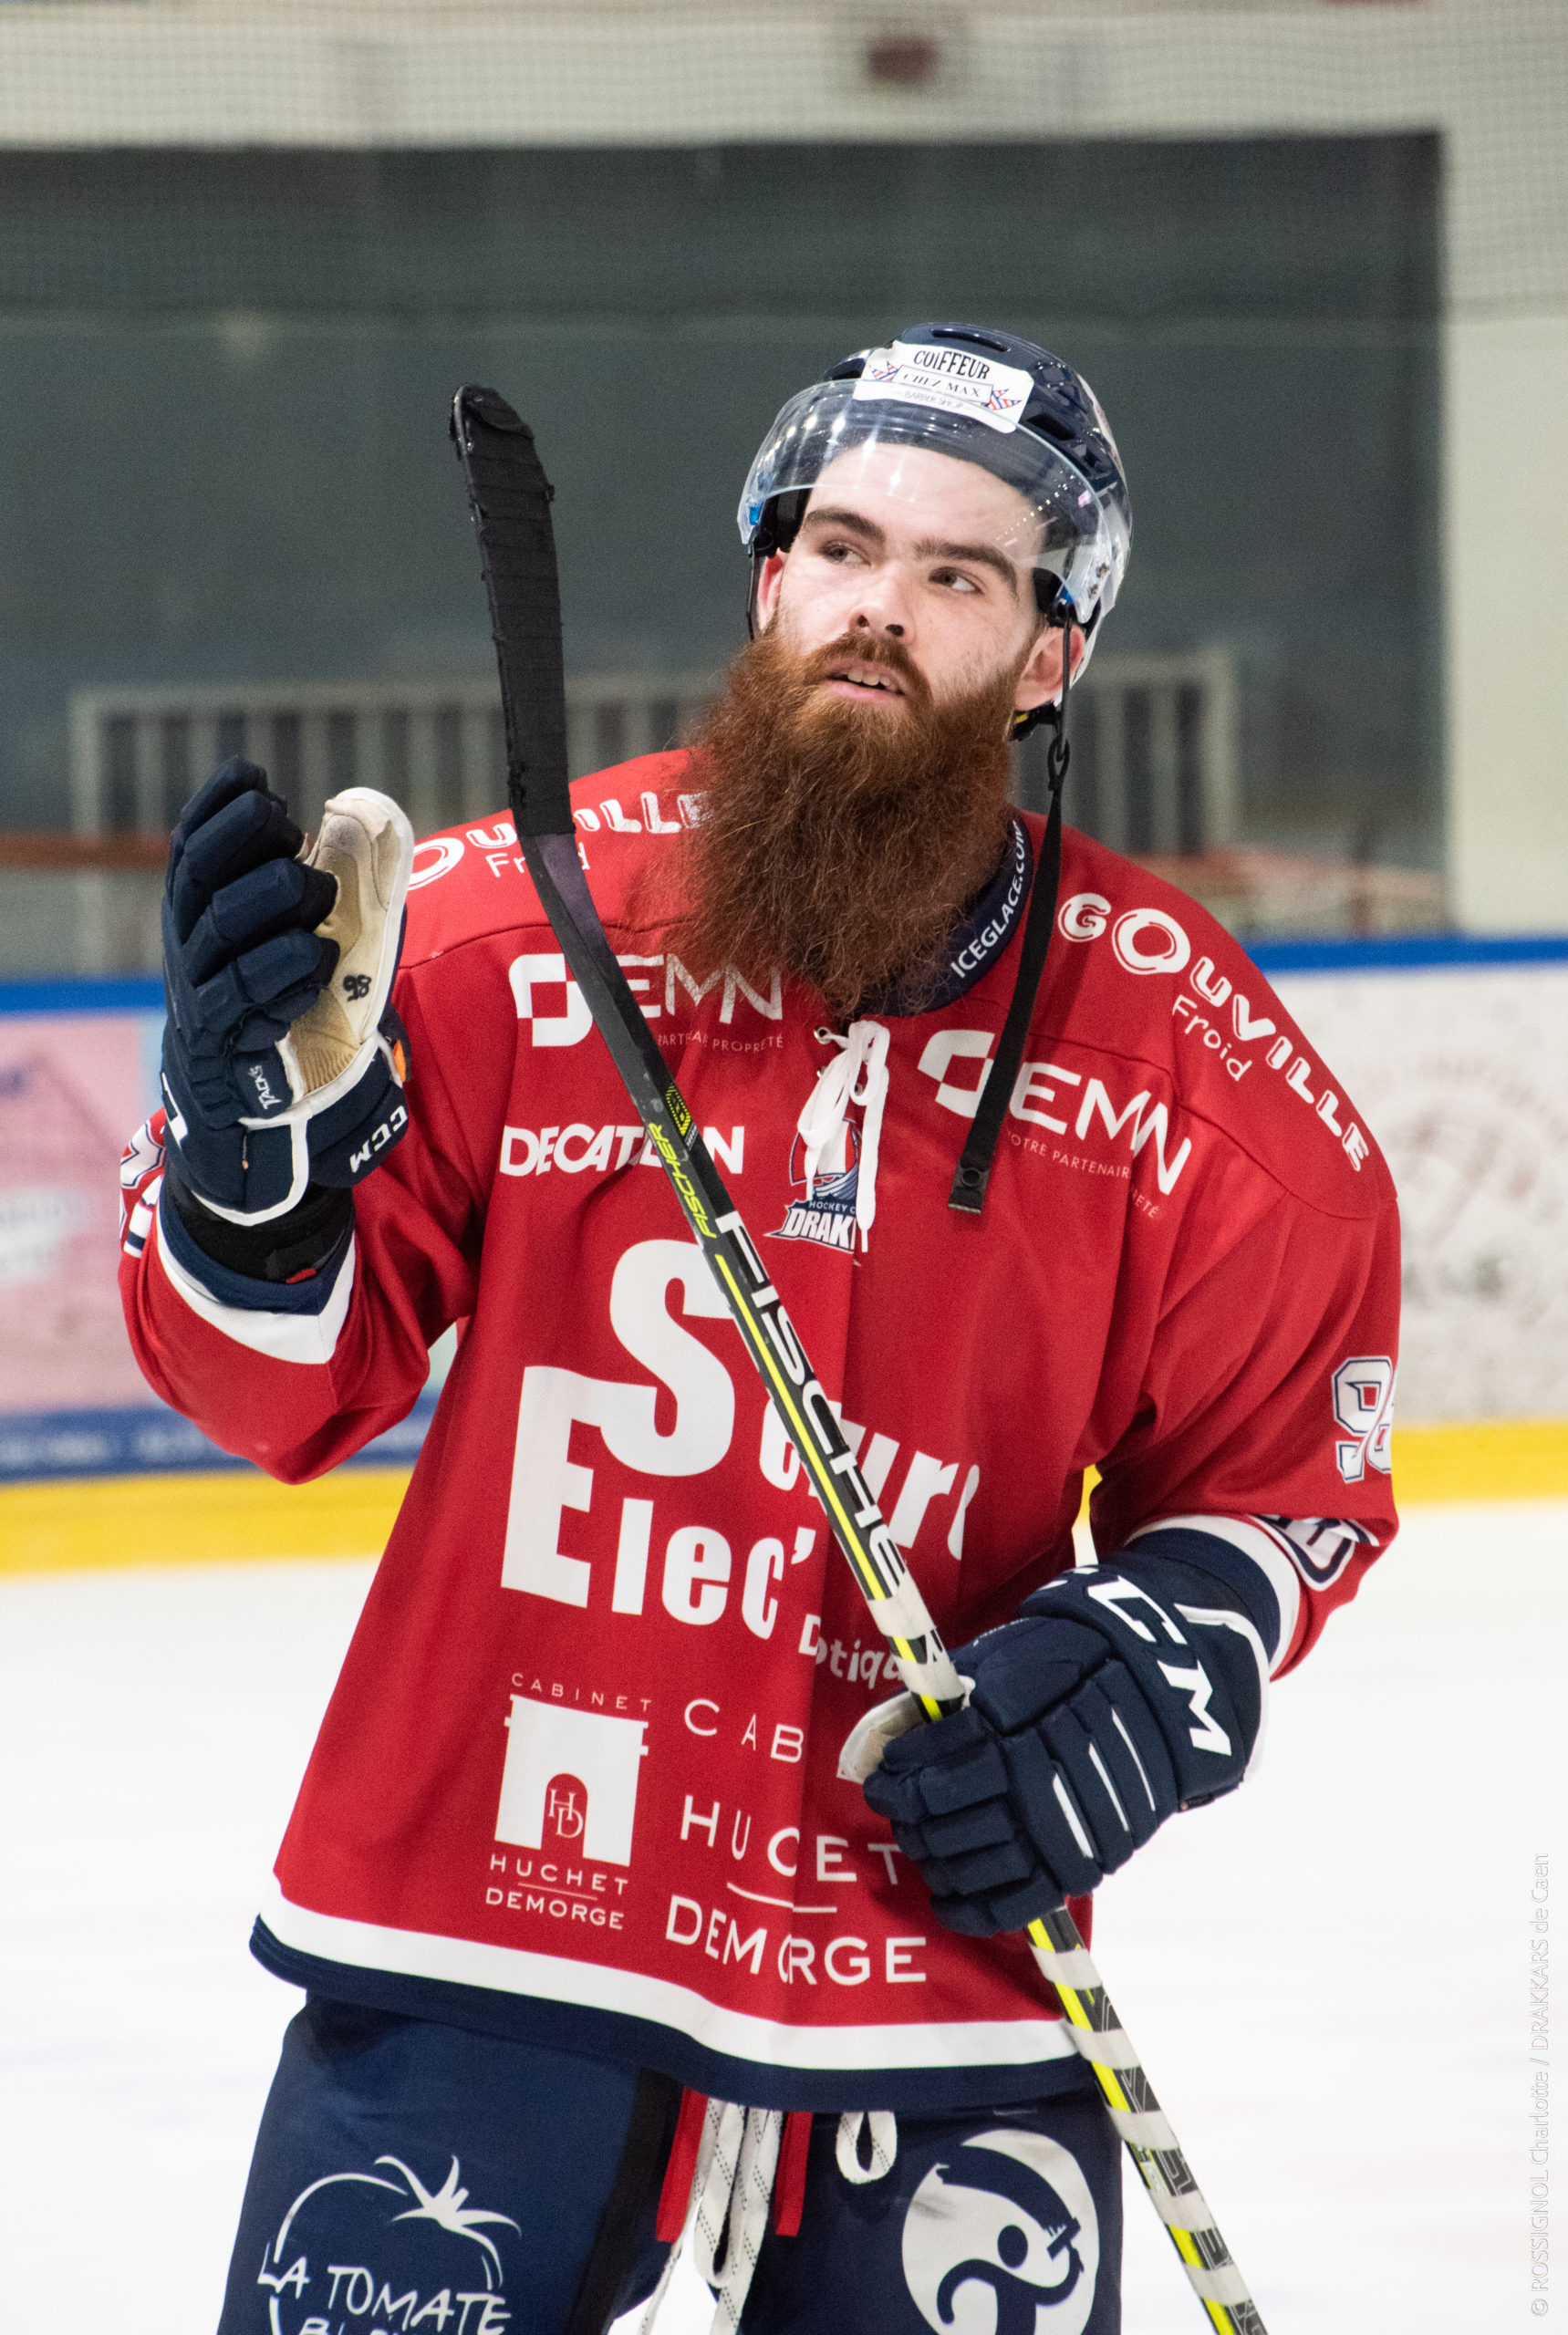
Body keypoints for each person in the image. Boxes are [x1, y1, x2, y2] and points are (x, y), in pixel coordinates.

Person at [120, 323, 1399, 2335]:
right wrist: (243, 1191)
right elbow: (271, 1392)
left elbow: (1287, 1478)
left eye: (958, 573)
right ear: (766, 584)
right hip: (484, 1935)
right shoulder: (501, 932)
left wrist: (1152, 1667)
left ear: (1048, 657)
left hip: (930, 1958)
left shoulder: (1182, 1055)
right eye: (843, 547)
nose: (879, 604)